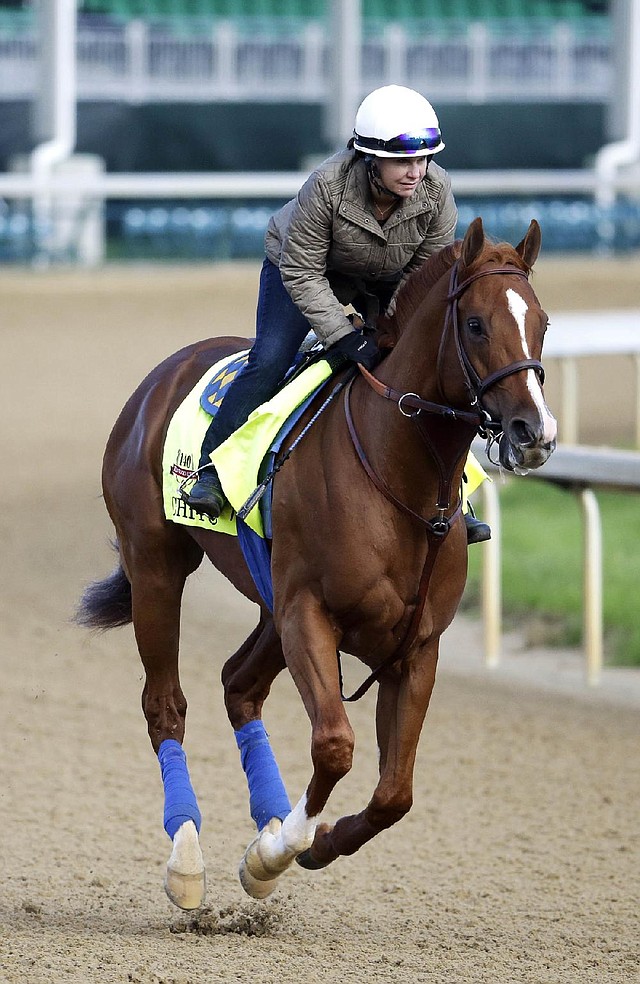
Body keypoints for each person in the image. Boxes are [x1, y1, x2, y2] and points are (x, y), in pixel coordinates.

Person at [187, 84, 490, 543]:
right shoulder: (325, 186)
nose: (416, 172)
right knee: (269, 360)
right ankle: (213, 470)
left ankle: (455, 495)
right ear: (370, 158)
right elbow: (303, 272)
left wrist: (388, 328)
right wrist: (346, 337)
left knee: (418, 368)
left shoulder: (437, 190)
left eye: (424, 159)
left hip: (385, 279)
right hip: (303, 269)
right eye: (402, 161)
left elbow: (424, 278)